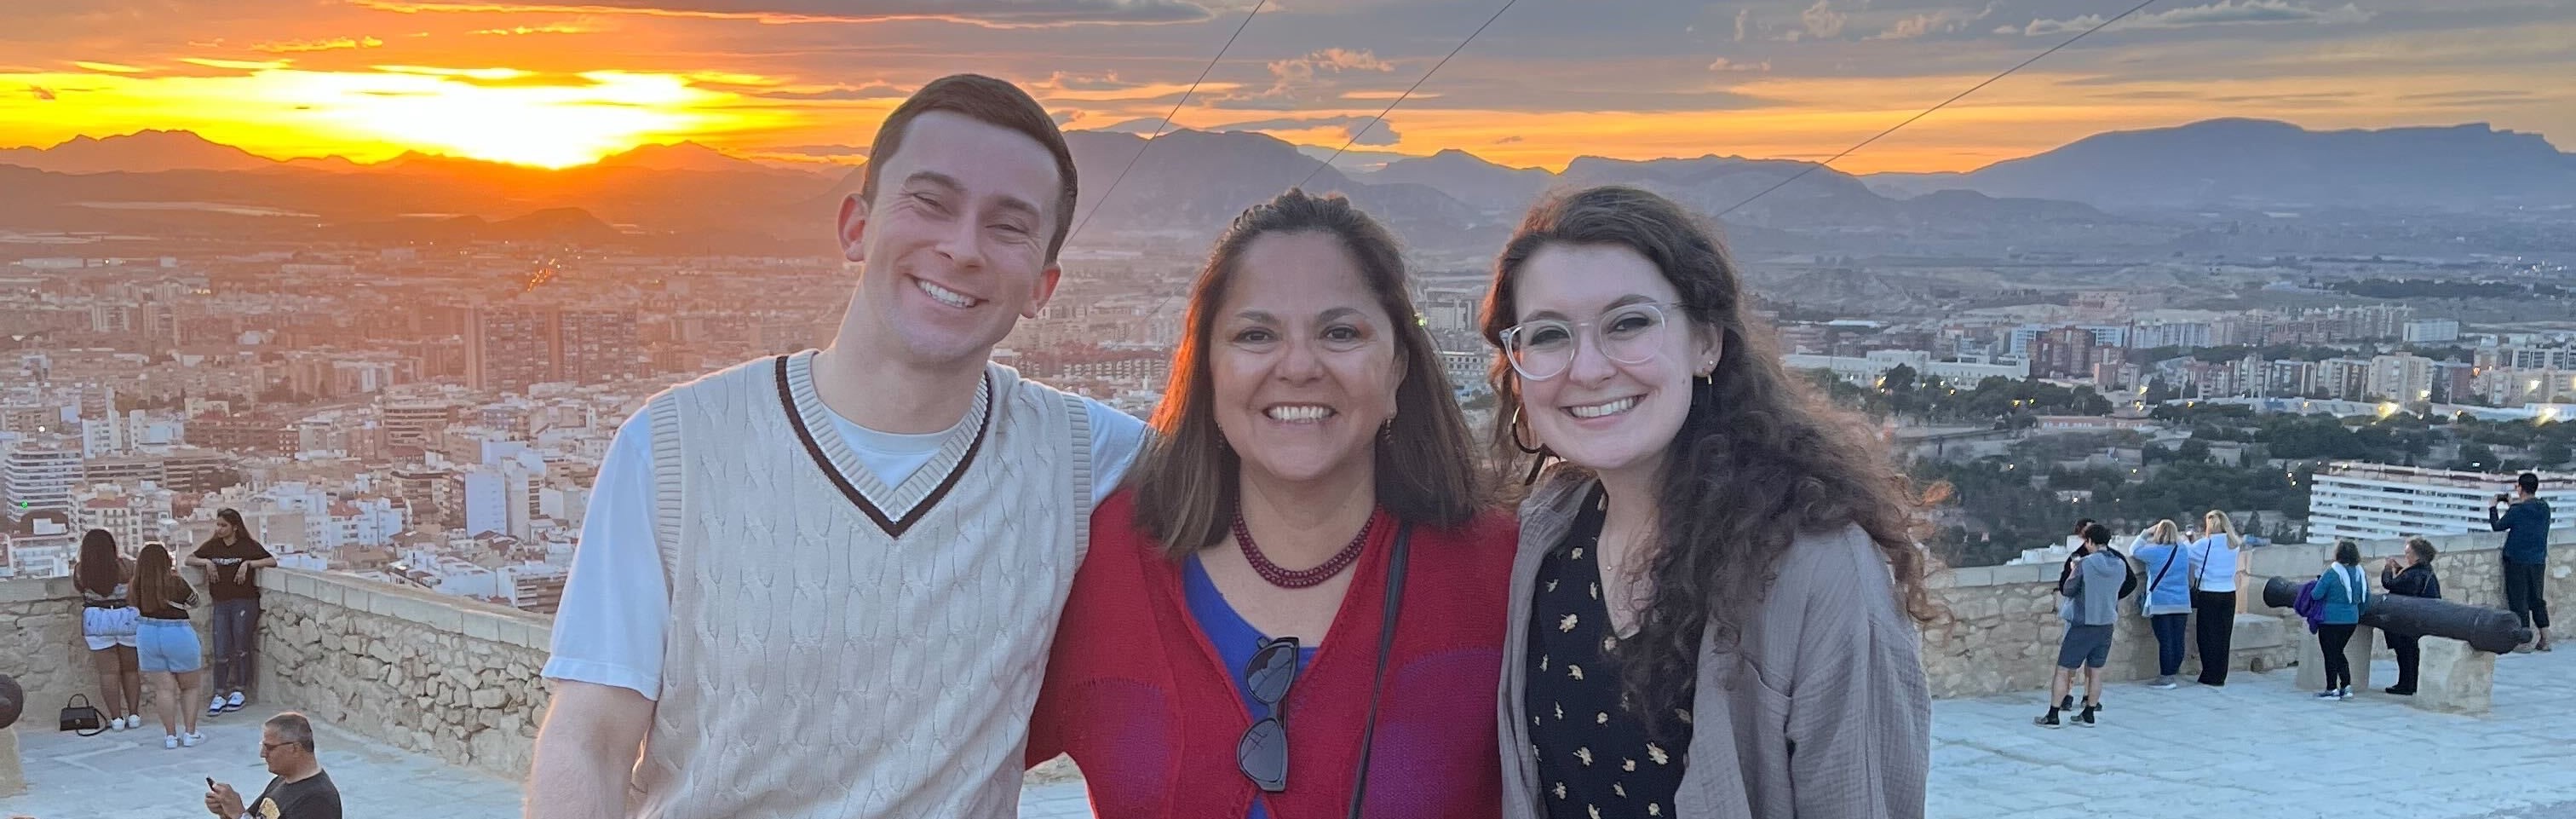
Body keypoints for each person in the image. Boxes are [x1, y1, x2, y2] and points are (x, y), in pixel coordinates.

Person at [526, 73, 1147, 819]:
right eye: (932, 202)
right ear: (855, 227)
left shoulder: (1086, 460)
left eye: (1008, 225)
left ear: (1042, 285)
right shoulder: (675, 448)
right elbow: (590, 736)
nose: (962, 247)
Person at [1027, 189, 1513, 817]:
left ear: (1397, 370)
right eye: (1257, 334)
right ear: (1208, 370)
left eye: (1340, 332)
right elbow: (927, 759)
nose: (1300, 365)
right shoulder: (1098, 563)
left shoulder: (1502, 576)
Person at [1481, 186, 1939, 818]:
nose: (1587, 368)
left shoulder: (1817, 572)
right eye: (1549, 335)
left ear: (1707, 342)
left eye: (1629, 323)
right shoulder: (1548, 536)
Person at [187, 508, 274, 716]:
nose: (219, 529)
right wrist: (206, 562)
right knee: (221, 648)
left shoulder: (247, 546)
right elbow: (190, 559)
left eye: (223, 525)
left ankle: (240, 689)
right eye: (217, 525)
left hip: (244, 602)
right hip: (221, 603)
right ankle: (219, 691)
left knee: (241, 645)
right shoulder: (213, 546)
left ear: (235, 527)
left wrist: (248, 564)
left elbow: (271, 561)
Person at [2038, 523, 2123, 728]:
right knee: (2096, 671)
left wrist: (2073, 571)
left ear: (2090, 541)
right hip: (2106, 623)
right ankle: (2089, 712)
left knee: (2064, 669)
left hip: (2083, 622)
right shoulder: (2120, 565)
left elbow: (2068, 590)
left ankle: (2053, 714)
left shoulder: (2085, 563)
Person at [129, 540, 207, 748]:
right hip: (176, 632)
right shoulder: (175, 582)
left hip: (147, 633)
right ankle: (190, 733)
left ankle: (170, 736)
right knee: (190, 686)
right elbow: (195, 601)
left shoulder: (136, 585)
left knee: (163, 689)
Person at [206, 712, 342, 819]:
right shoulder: (282, 780)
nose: (263, 754)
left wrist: (239, 814)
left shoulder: (318, 800)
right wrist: (226, 812)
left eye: (269, 747)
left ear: (294, 748)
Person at [72, 528, 144, 731]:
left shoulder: (80, 570)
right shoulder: (127, 566)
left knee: (108, 673)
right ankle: (134, 714)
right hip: (126, 618)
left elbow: (79, 588)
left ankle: (116, 718)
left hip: (96, 619)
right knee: (130, 669)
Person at [2488, 471, 2552, 652]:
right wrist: (2512, 505)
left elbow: (2498, 526)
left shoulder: (2518, 511)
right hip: (2538, 560)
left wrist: (2493, 507)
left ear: (2520, 488)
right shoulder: (2544, 508)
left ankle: (2524, 642)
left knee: (2519, 601)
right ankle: (2545, 639)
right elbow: (2527, 514)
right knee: (2537, 600)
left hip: (2517, 560)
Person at [2130, 520, 2194, 689]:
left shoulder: (2154, 552)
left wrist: (2146, 532)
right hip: (2181, 601)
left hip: (2162, 602)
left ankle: (2166, 678)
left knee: (2165, 640)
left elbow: (2134, 550)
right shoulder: (2182, 550)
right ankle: (2172, 672)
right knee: (2178, 640)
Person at [2185, 510, 2247, 686]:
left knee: (2207, 636)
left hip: (2209, 592)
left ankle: (2209, 674)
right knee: (2223, 636)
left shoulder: (2205, 544)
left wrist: (2189, 540)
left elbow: (2188, 554)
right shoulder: (2233, 545)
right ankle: (2220, 675)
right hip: (2229, 592)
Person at [2380, 537, 2443, 696]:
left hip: (2405, 621)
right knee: (2412, 654)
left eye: (2408, 553)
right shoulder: (2426, 571)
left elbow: (2390, 584)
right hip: (2418, 621)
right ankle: (2411, 683)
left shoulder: (2413, 574)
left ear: (2416, 556)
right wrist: (2399, 569)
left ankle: (2405, 685)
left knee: (2405, 653)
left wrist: (2387, 568)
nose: (2406, 556)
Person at [2313, 539, 2370, 701]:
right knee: (2338, 652)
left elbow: (2316, 594)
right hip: (2351, 619)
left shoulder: (2332, 573)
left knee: (2331, 654)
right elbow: (2367, 598)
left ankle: (2332, 688)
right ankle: (2346, 685)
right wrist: (2359, 612)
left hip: (2330, 620)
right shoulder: (2359, 573)